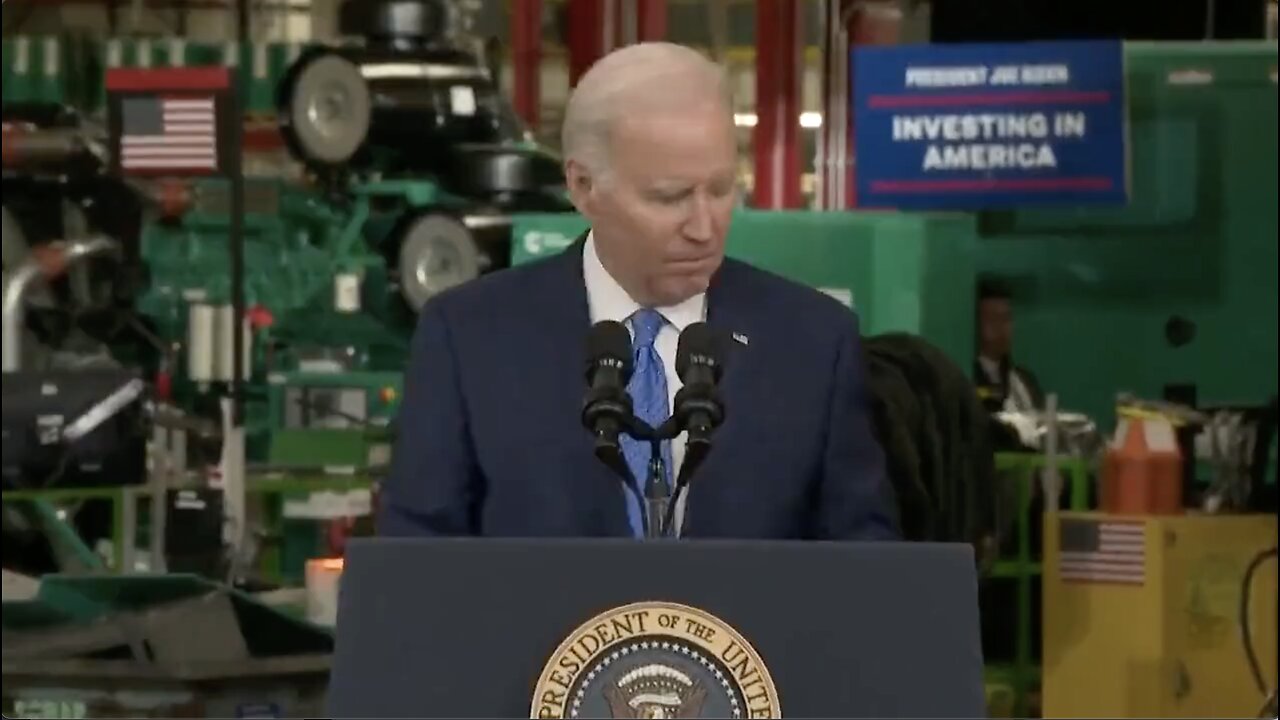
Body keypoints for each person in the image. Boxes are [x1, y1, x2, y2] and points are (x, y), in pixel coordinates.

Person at [378, 42, 898, 540]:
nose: (703, 226)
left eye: (720, 190)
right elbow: (416, 557)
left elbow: (865, 562)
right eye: (669, 197)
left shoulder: (813, 341)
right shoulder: (470, 339)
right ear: (583, 188)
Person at [974, 278, 1044, 414]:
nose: (1001, 327)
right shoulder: (969, 380)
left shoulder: (1025, 380)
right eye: (993, 318)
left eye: (1006, 318)